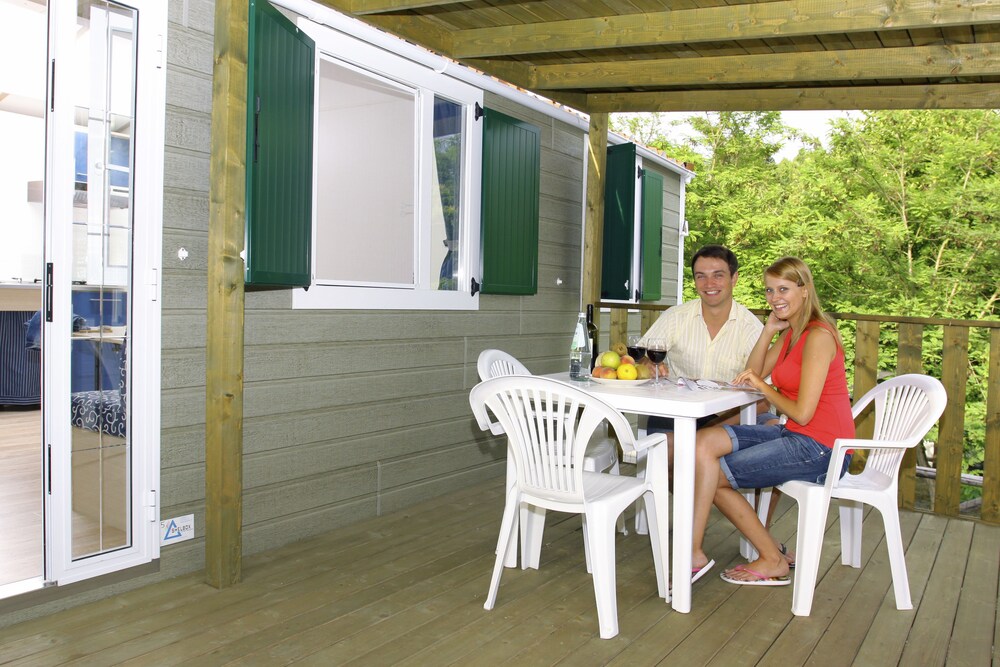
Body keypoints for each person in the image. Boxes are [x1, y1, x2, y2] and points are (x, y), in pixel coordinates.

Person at [689, 256, 855, 586]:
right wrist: (768, 331)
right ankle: (695, 550)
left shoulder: (818, 336)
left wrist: (764, 386)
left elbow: (802, 412)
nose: (775, 297)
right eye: (769, 290)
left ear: (804, 290)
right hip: (796, 435)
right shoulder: (793, 333)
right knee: (703, 442)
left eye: (783, 289)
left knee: (714, 477)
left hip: (823, 449)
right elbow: (753, 373)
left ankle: (771, 558)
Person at [638, 244, 766, 434]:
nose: (709, 284)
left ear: (734, 278)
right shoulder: (675, 317)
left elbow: (765, 398)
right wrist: (647, 363)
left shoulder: (752, 329)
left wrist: (708, 430)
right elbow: (638, 356)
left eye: (718, 275)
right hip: (676, 411)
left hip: (728, 418)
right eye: (701, 276)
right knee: (663, 445)